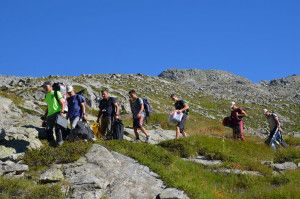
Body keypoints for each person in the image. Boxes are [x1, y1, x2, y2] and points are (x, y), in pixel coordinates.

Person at [42, 81, 65, 146]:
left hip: (57, 113)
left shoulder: (56, 92)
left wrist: (62, 112)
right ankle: (52, 144)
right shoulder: (46, 96)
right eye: (43, 87)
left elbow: (62, 103)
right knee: (48, 129)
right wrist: (45, 116)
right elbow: (48, 106)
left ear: (50, 86)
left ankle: (60, 143)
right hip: (49, 115)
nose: (44, 88)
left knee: (58, 128)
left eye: (46, 86)